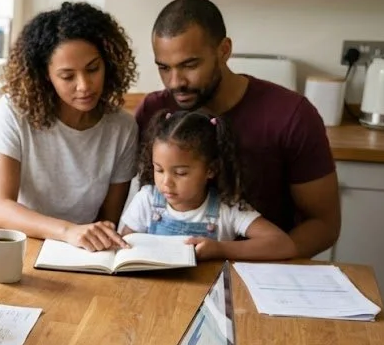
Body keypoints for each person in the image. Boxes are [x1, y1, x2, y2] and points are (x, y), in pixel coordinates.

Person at [135, 0, 340, 258]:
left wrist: (258, 256)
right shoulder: (154, 112)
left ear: (224, 50)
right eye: (164, 68)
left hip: (266, 270)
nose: (175, 82)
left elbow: (324, 225)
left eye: (190, 65)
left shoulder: (292, 116)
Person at [0, 1, 140, 251]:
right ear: (45, 75)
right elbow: (1, 207)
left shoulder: (123, 128)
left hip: (76, 251)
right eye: (68, 76)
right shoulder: (13, 111)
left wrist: (81, 239)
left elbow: (107, 221)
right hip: (9, 243)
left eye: (93, 69)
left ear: (108, 63)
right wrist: (67, 231)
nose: (84, 85)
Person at [121, 110, 296, 260]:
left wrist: (220, 249)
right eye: (159, 170)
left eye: (181, 173)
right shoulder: (147, 200)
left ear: (211, 169)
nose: (166, 182)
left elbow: (284, 245)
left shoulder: (226, 208)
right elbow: (125, 247)